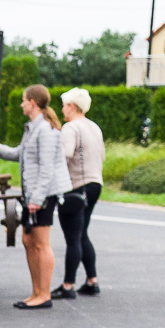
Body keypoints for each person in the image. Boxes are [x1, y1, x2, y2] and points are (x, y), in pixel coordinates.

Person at [0, 84, 68, 309]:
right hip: (33, 194)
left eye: (23, 100)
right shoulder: (33, 128)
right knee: (27, 240)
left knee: (41, 243)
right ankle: (36, 292)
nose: (21, 104)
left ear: (32, 102)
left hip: (43, 195)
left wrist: (36, 200)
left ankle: (44, 295)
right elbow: (20, 154)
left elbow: (47, 169)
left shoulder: (47, 130)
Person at [52, 87, 103, 299]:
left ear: (72, 107)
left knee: (72, 237)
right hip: (95, 184)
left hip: (76, 187)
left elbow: (64, 156)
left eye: (64, 105)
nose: (63, 110)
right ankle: (92, 280)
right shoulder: (94, 127)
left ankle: (68, 285)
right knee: (82, 233)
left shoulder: (70, 128)